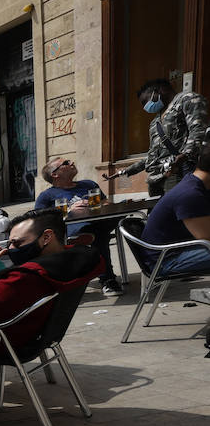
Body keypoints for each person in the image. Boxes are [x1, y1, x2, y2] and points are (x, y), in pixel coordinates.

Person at [0, 208, 104, 349]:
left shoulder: (24, 277)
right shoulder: (77, 260)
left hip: (1, 343)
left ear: (46, 237)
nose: (10, 249)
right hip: (41, 337)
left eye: (17, 243)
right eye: (9, 243)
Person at [35, 157, 122, 297]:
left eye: (69, 161)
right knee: (98, 235)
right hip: (71, 229)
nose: (72, 163)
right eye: (66, 163)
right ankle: (108, 279)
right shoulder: (47, 196)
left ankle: (109, 276)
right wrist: (69, 210)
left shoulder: (88, 184)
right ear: (55, 174)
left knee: (121, 222)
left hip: (100, 221)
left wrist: (95, 206)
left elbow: (107, 203)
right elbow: (39, 220)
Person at [115, 79, 208, 196]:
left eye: (145, 101)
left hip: (179, 173)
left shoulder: (187, 99)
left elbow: (198, 131)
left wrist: (184, 157)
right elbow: (152, 155)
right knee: (157, 213)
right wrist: (126, 171)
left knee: (179, 209)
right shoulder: (155, 122)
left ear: (160, 91)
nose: (145, 107)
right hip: (156, 179)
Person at [139, 146, 210, 275]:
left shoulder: (195, 182)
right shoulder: (190, 194)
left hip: (178, 249)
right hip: (165, 260)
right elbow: (207, 238)